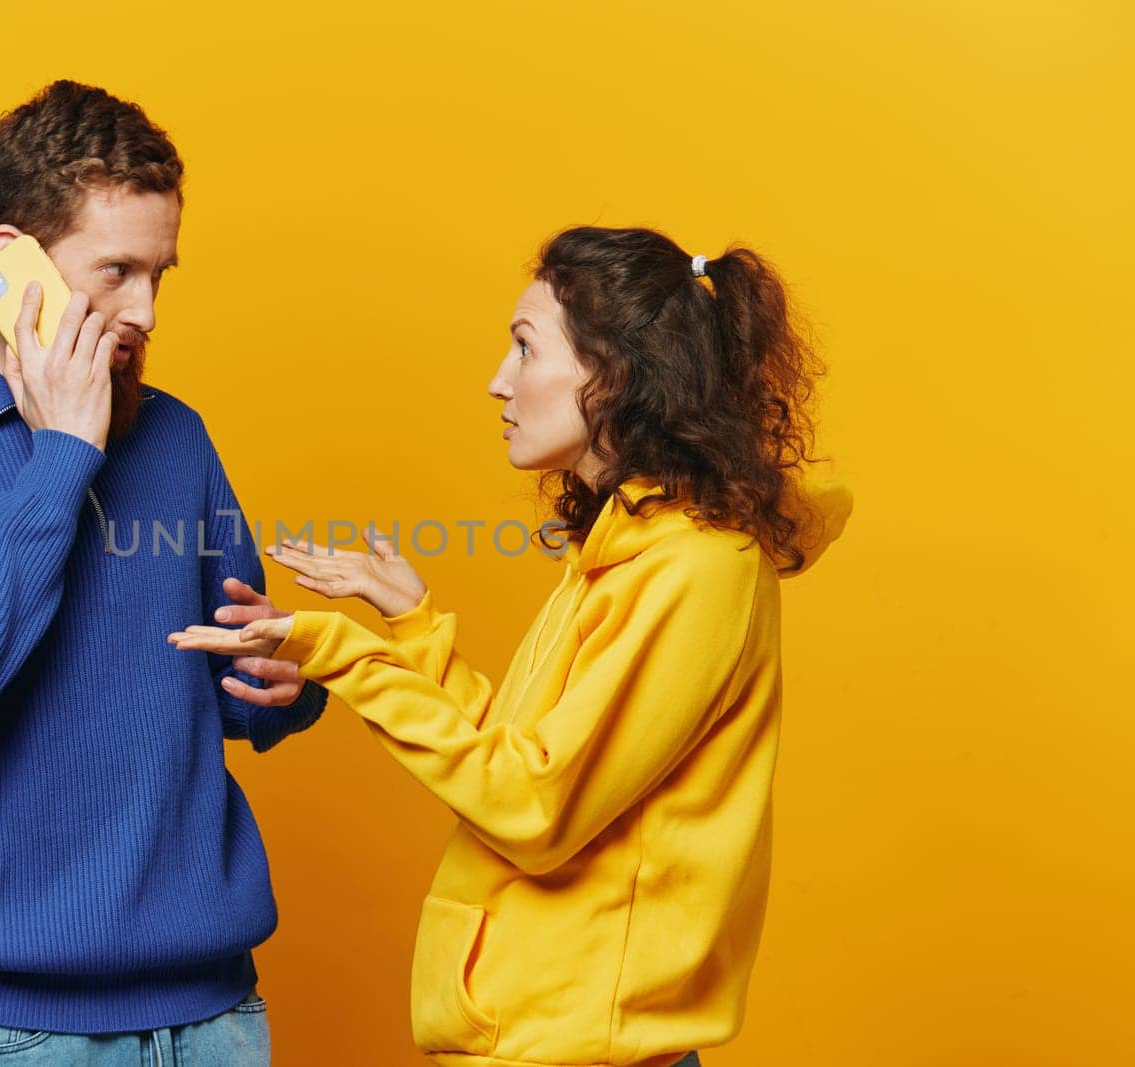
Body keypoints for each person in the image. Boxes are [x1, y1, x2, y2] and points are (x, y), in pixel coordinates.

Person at [170, 227, 854, 1067]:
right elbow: (527, 762)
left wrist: (338, 653)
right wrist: (414, 626)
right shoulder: (629, 551)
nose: (499, 381)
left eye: (526, 348)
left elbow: (535, 808)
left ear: (615, 374)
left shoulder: (698, 568)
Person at [0, 79, 325, 1066]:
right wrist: (63, 456)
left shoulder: (174, 438)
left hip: (214, 1017)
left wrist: (290, 683)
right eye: (115, 271)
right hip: (9, 1030)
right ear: (12, 263)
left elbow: (238, 684)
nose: (142, 309)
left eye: (159, 274)